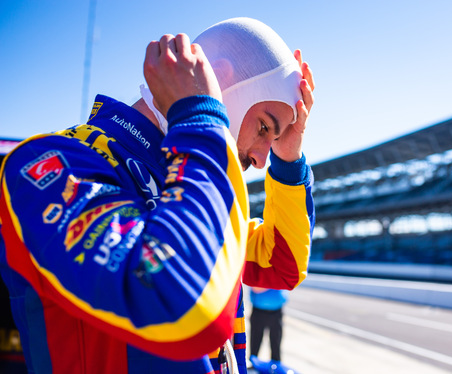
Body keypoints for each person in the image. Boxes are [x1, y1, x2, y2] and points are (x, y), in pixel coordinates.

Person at [0, 17, 315, 373]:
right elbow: (180, 301)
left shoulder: (188, 183)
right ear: (221, 85)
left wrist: (289, 159)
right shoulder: (51, 163)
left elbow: (282, 263)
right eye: (263, 128)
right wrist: (202, 119)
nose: (261, 159)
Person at [249, 287, 288, 365]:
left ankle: (276, 366)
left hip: (277, 309)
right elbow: (255, 287)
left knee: (276, 343)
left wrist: (268, 283)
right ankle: (253, 364)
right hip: (258, 309)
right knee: (255, 342)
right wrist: (273, 282)